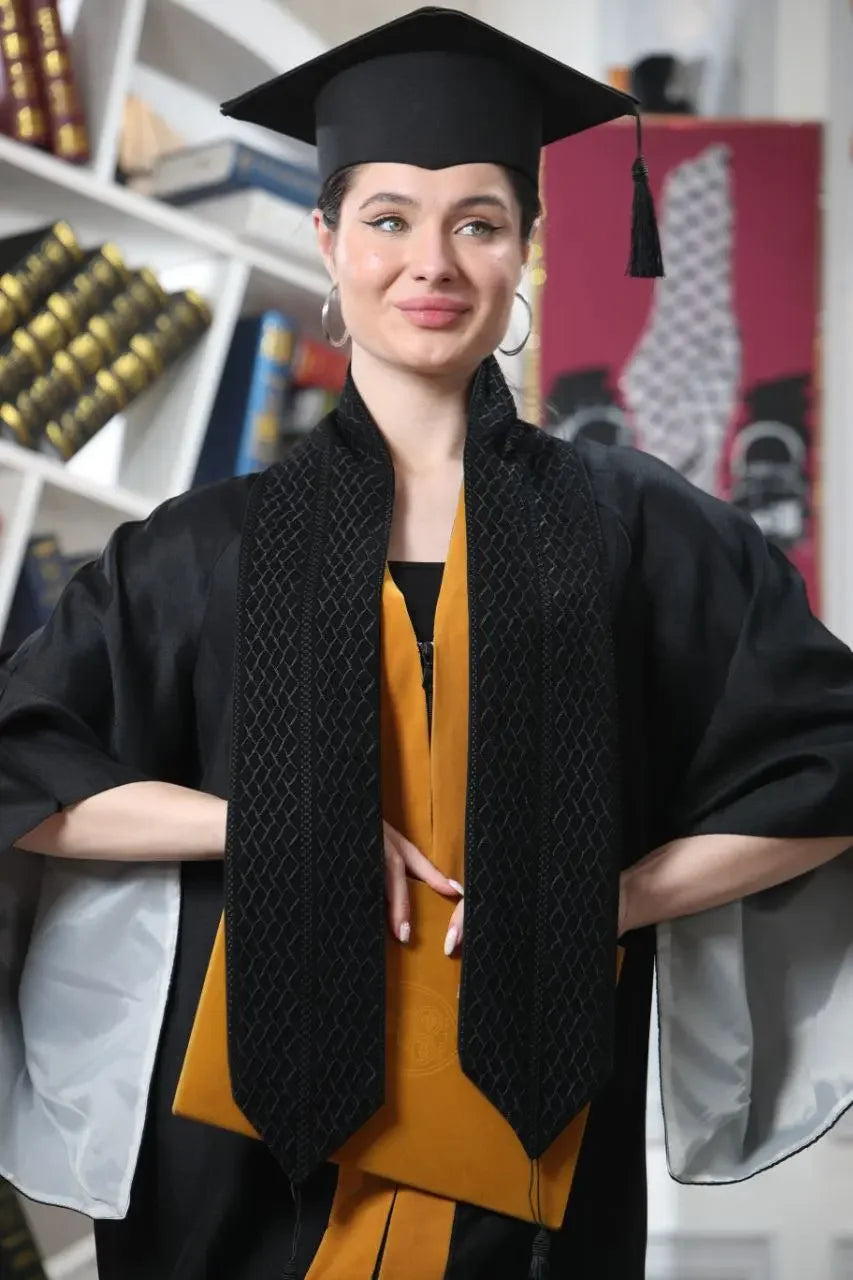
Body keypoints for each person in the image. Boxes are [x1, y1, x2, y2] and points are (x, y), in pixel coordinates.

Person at [2, 8, 853, 1279]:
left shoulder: (639, 532)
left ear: (528, 253)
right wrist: (273, 821)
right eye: (389, 217)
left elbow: (829, 761)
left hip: (531, 1141)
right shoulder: (195, 550)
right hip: (230, 1173)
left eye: (479, 221)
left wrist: (599, 900)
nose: (431, 261)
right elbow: (26, 772)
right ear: (327, 244)